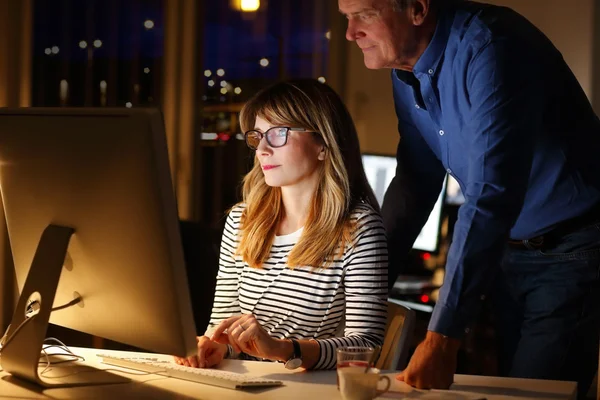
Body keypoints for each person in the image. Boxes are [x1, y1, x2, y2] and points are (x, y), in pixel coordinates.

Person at [339, 0, 600, 397]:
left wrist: (442, 336)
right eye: (346, 17)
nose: (350, 32)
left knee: (536, 394)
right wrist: (365, 289)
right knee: (509, 387)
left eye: (365, 14)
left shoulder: (493, 48)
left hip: (572, 247)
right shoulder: (406, 69)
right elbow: (416, 180)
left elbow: (490, 194)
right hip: (506, 252)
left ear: (417, 8)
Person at [175, 79, 388, 370]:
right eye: (257, 136)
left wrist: (283, 349)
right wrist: (214, 345)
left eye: (277, 134)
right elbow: (223, 323)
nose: (261, 149)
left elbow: (366, 344)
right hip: (244, 384)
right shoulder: (242, 219)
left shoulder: (358, 227)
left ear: (323, 145)